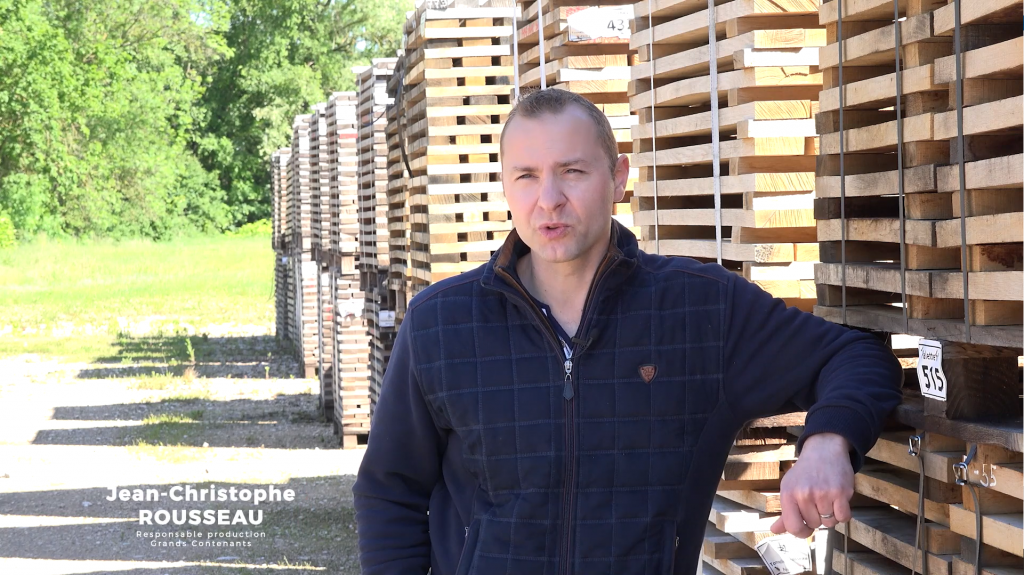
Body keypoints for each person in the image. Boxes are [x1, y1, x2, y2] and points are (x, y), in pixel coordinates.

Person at [353, 89, 903, 575]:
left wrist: (829, 443)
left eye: (572, 171)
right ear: (505, 185)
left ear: (618, 179)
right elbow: (389, 489)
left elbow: (858, 356)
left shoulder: (699, 309)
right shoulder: (441, 322)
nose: (548, 198)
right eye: (526, 175)